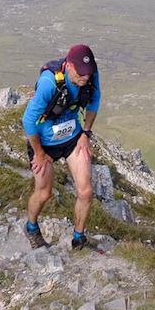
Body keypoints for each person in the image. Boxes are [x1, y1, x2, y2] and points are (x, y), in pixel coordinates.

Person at [22, 44, 102, 251]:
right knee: (44, 193)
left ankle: (78, 238)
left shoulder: (90, 74)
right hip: (45, 142)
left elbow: (94, 101)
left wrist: (86, 134)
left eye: (88, 73)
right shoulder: (49, 83)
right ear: (69, 66)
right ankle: (31, 227)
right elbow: (29, 120)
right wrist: (39, 153)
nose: (85, 78)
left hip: (73, 137)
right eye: (81, 74)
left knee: (86, 191)